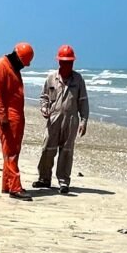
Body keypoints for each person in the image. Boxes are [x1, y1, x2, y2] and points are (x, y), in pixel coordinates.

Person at [32, 44, 89, 194]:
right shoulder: (51, 78)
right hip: (54, 118)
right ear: (59, 62)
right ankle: (44, 178)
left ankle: (63, 181)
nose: (67, 64)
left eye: (70, 62)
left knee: (66, 151)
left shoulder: (78, 79)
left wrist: (84, 121)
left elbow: (83, 101)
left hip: (71, 120)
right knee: (47, 149)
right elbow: (44, 97)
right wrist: (44, 108)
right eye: (65, 62)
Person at [0, 42, 35, 201]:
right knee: (11, 152)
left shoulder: (12, 66)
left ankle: (7, 184)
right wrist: (3, 116)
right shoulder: (1, 66)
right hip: (8, 116)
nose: (24, 67)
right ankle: (15, 188)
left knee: (11, 151)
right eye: (24, 63)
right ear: (18, 58)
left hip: (14, 115)